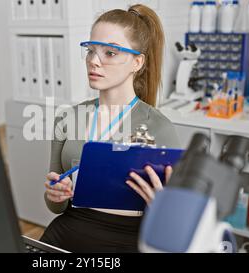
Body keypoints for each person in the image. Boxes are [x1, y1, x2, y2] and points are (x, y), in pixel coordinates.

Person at [40, 4, 181, 253]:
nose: (94, 61)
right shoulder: (67, 119)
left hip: (129, 239)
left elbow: (174, 226)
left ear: (137, 62)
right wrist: (55, 195)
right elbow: (55, 206)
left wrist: (164, 209)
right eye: (91, 50)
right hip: (67, 231)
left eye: (110, 53)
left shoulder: (161, 129)